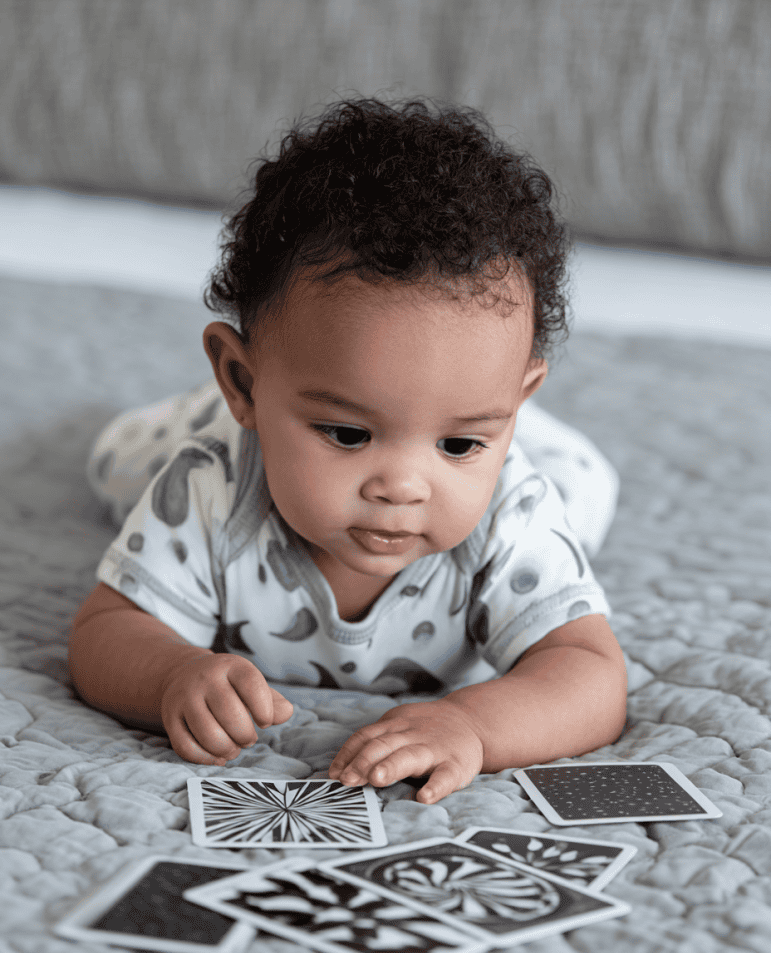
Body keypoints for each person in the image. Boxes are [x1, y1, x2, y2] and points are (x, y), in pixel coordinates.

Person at [68, 96, 627, 805]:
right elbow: (104, 631)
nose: (400, 485)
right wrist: (171, 673)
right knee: (116, 463)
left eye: (458, 442)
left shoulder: (511, 510)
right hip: (228, 426)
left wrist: (474, 725)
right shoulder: (209, 487)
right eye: (348, 434)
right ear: (239, 378)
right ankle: (271, 407)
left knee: (584, 494)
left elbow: (590, 674)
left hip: (519, 455)